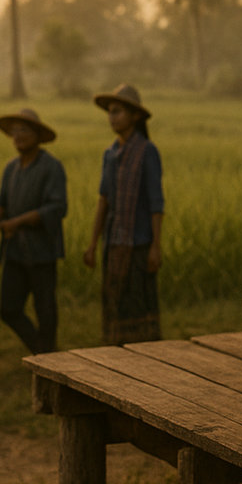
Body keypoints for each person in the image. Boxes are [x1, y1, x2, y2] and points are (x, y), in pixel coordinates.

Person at [83, 84, 165, 344]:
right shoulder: (110, 154)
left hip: (139, 245)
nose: (112, 117)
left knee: (138, 307)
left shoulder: (147, 151)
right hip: (114, 243)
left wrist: (155, 246)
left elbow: (156, 203)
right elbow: (104, 200)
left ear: (135, 116)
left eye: (118, 112)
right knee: (115, 303)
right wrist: (93, 243)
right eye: (110, 112)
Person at [0, 107, 67, 354]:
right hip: (14, 251)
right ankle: (42, 352)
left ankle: (46, 353)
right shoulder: (10, 168)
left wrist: (18, 222)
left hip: (41, 250)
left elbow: (56, 207)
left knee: (45, 308)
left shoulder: (51, 167)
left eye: (24, 130)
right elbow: (2, 202)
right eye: (14, 131)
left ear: (37, 135)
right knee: (8, 309)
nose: (18, 135)